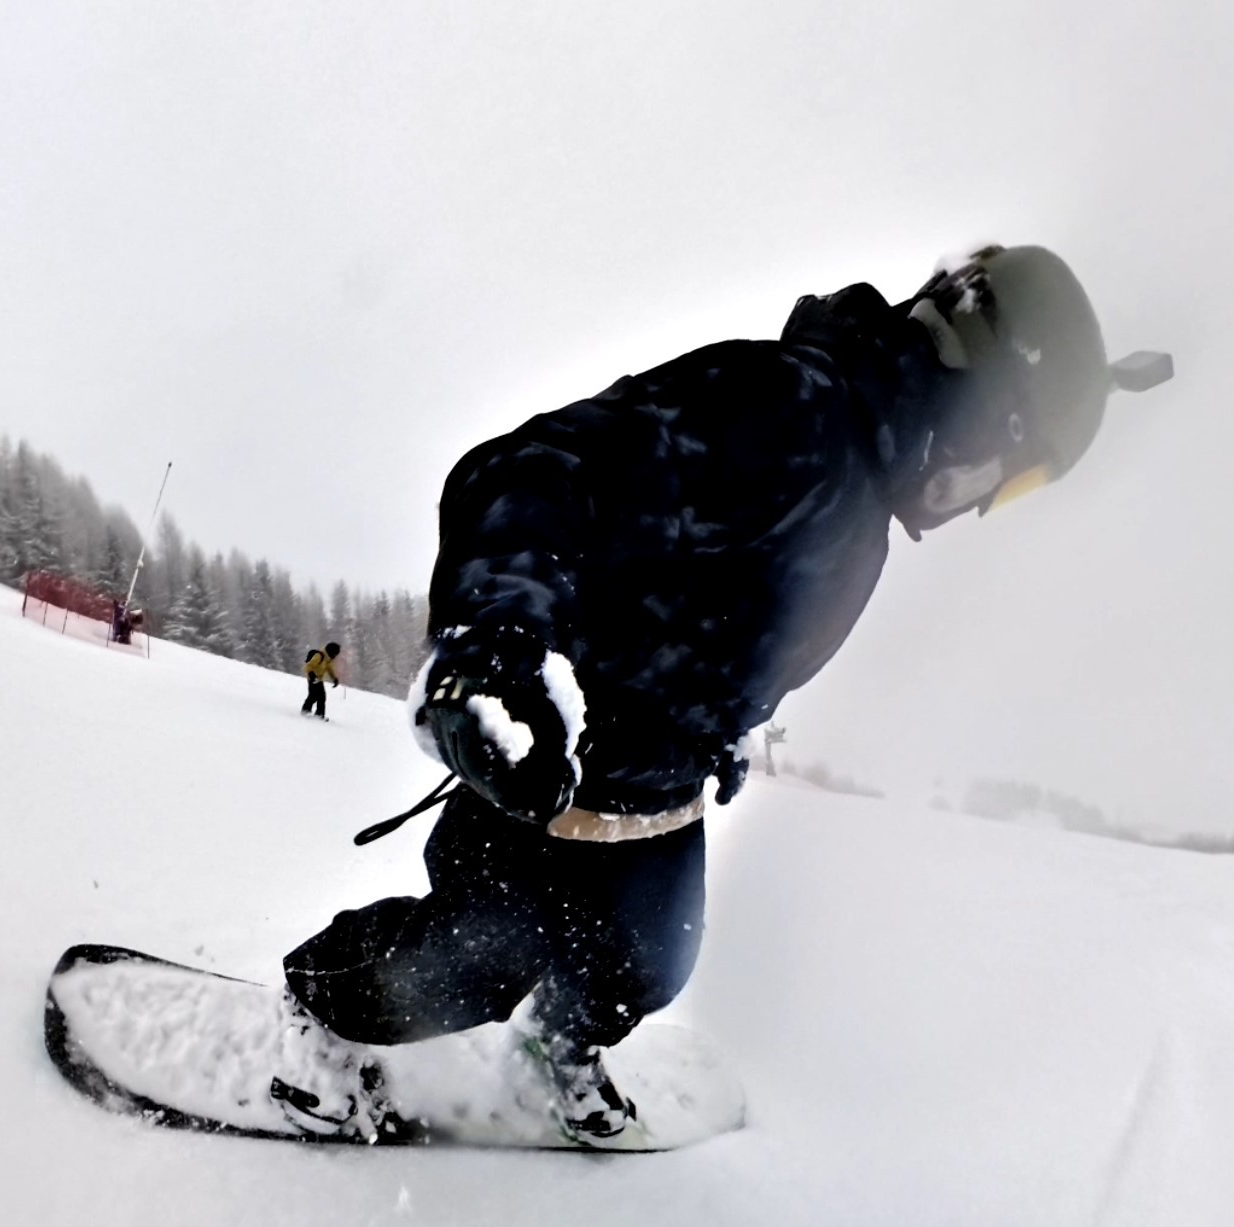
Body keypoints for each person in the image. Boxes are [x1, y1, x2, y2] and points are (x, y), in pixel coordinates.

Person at [271, 244, 1171, 1144]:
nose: (981, 503)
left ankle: (554, 1052)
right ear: (986, 412)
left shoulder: (861, 492)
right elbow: (538, 471)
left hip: (660, 784)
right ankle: (320, 1016)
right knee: (478, 955)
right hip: (555, 751)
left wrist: (727, 733)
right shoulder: (791, 411)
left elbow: (732, 624)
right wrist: (496, 644)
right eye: (1008, 476)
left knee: (648, 964)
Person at [301, 642, 342, 718]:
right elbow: (309, 666)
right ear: (331, 651)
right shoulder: (319, 656)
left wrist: (334, 679)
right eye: (335, 654)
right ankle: (305, 711)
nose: (335, 656)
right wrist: (311, 674)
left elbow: (330, 670)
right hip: (312, 679)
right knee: (313, 696)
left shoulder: (328, 659)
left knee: (322, 697)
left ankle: (319, 714)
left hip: (319, 679)